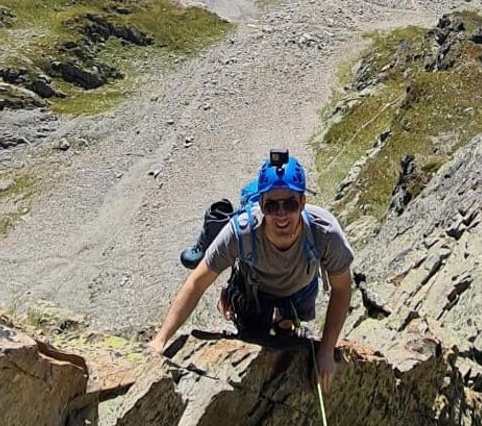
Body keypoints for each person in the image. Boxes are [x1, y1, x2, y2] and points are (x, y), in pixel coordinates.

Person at [147, 152, 354, 386]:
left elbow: (342, 289)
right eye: (272, 205)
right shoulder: (241, 232)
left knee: (286, 326)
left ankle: (285, 324)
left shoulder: (324, 231)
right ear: (261, 204)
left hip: (299, 290)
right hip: (255, 291)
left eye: (290, 204)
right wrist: (160, 340)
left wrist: (326, 351)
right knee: (253, 335)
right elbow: (197, 282)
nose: (281, 214)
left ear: (303, 203)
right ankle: (269, 323)